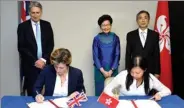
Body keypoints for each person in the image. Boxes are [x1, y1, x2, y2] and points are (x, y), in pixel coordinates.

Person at [17, 1, 54, 96]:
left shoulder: (47, 25)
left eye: (37, 12)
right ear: (29, 13)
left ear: (41, 12)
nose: (35, 15)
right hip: (30, 66)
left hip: (46, 64)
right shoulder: (22, 27)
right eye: (33, 12)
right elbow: (22, 47)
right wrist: (36, 61)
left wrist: (43, 60)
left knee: (48, 92)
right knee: (33, 93)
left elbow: (50, 44)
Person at [104, 56, 171, 101]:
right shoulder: (123, 75)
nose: (134, 75)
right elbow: (107, 89)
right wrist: (113, 95)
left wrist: (159, 94)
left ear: (144, 70)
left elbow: (167, 91)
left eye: (137, 73)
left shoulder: (150, 78)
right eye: (132, 72)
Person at [125, 10, 160, 78]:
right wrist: (128, 70)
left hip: (151, 70)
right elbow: (128, 54)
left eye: (145, 18)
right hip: (135, 70)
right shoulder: (130, 35)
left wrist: (157, 72)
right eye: (140, 18)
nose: (143, 20)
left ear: (149, 20)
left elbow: (156, 55)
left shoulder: (154, 35)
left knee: (150, 88)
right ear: (137, 21)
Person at [92, 14, 120, 96]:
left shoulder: (115, 37)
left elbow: (117, 54)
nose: (106, 27)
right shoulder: (96, 38)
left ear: (111, 25)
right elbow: (95, 55)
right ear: (100, 26)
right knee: (99, 93)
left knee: (113, 94)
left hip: (113, 69)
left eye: (107, 25)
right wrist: (102, 71)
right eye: (103, 25)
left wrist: (112, 70)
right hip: (99, 70)